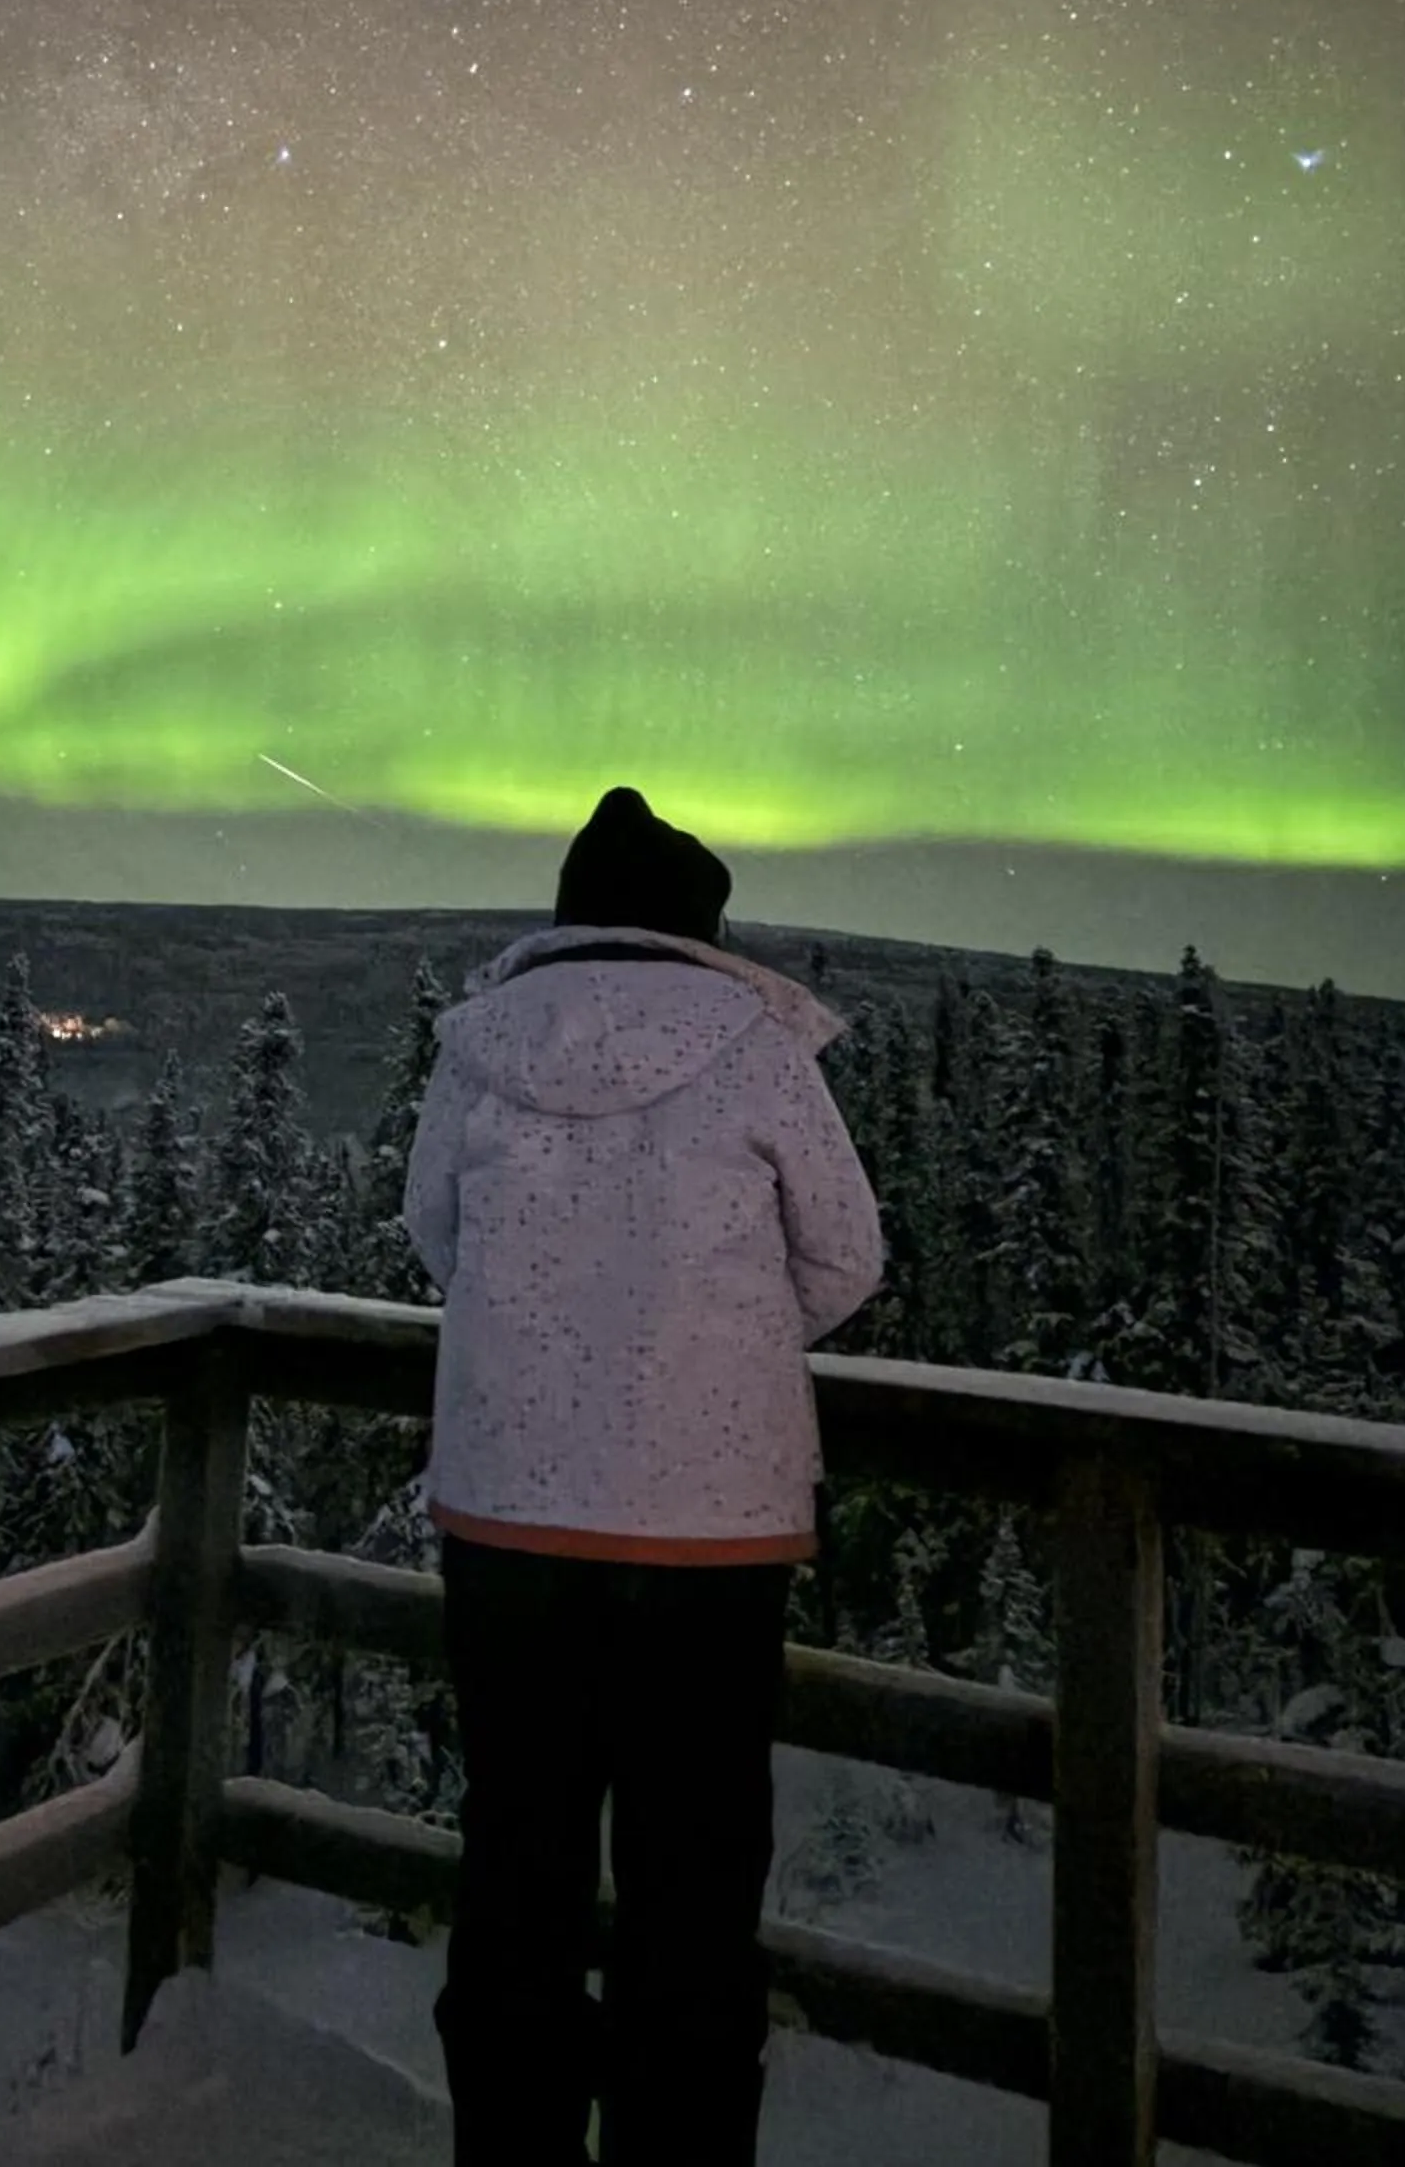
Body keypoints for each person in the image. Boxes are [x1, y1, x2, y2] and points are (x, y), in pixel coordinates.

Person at [404, 786, 884, 2166]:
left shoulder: (478, 1046)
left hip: (507, 1521)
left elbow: (437, 1234)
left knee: (518, 1866)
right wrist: (709, 1348)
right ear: (698, 927)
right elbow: (846, 1257)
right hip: (708, 1538)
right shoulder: (758, 1049)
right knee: (693, 1889)